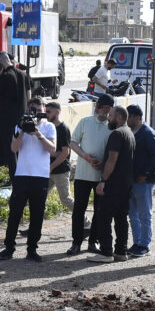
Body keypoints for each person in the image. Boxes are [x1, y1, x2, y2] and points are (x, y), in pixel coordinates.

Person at [0, 109, 56, 262]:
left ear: (42, 112)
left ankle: (32, 249)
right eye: (32, 110)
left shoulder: (49, 127)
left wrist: (38, 134)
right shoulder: (19, 126)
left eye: (38, 110)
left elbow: (52, 149)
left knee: (37, 215)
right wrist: (22, 130)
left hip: (40, 176)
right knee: (14, 214)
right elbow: (13, 149)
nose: (34, 115)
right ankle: (9, 248)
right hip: (22, 175)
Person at [65, 94, 114, 255]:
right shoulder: (85, 122)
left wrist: (103, 162)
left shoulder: (112, 127)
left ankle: (94, 241)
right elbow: (72, 143)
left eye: (108, 110)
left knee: (99, 210)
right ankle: (76, 242)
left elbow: (113, 152)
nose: (104, 112)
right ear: (97, 107)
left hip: (102, 176)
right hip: (82, 175)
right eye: (102, 108)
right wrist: (85, 156)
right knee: (79, 209)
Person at [87, 105, 135, 263]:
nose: (108, 117)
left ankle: (106, 252)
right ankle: (121, 251)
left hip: (113, 183)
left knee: (103, 216)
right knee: (121, 218)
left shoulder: (116, 134)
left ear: (119, 118)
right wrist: (103, 163)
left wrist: (103, 180)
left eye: (111, 115)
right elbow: (119, 160)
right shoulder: (129, 133)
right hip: (126, 183)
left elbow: (113, 160)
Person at [128, 104, 155, 258]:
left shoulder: (147, 133)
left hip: (143, 181)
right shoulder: (130, 132)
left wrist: (146, 173)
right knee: (133, 214)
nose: (126, 119)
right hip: (131, 180)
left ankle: (144, 244)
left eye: (129, 116)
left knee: (144, 213)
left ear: (136, 117)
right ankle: (137, 242)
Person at [0, 52, 27, 175]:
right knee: (20, 149)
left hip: (7, 119)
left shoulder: (5, 76)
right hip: (21, 118)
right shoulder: (23, 74)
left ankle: (14, 178)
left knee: (11, 150)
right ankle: (22, 175)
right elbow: (28, 96)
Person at [43, 100, 74, 211]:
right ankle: (35, 227)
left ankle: (86, 222)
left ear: (57, 112)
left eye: (49, 112)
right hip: (48, 170)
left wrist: (52, 166)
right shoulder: (47, 127)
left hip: (61, 170)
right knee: (40, 198)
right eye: (45, 111)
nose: (46, 114)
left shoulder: (63, 129)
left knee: (66, 199)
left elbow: (65, 152)